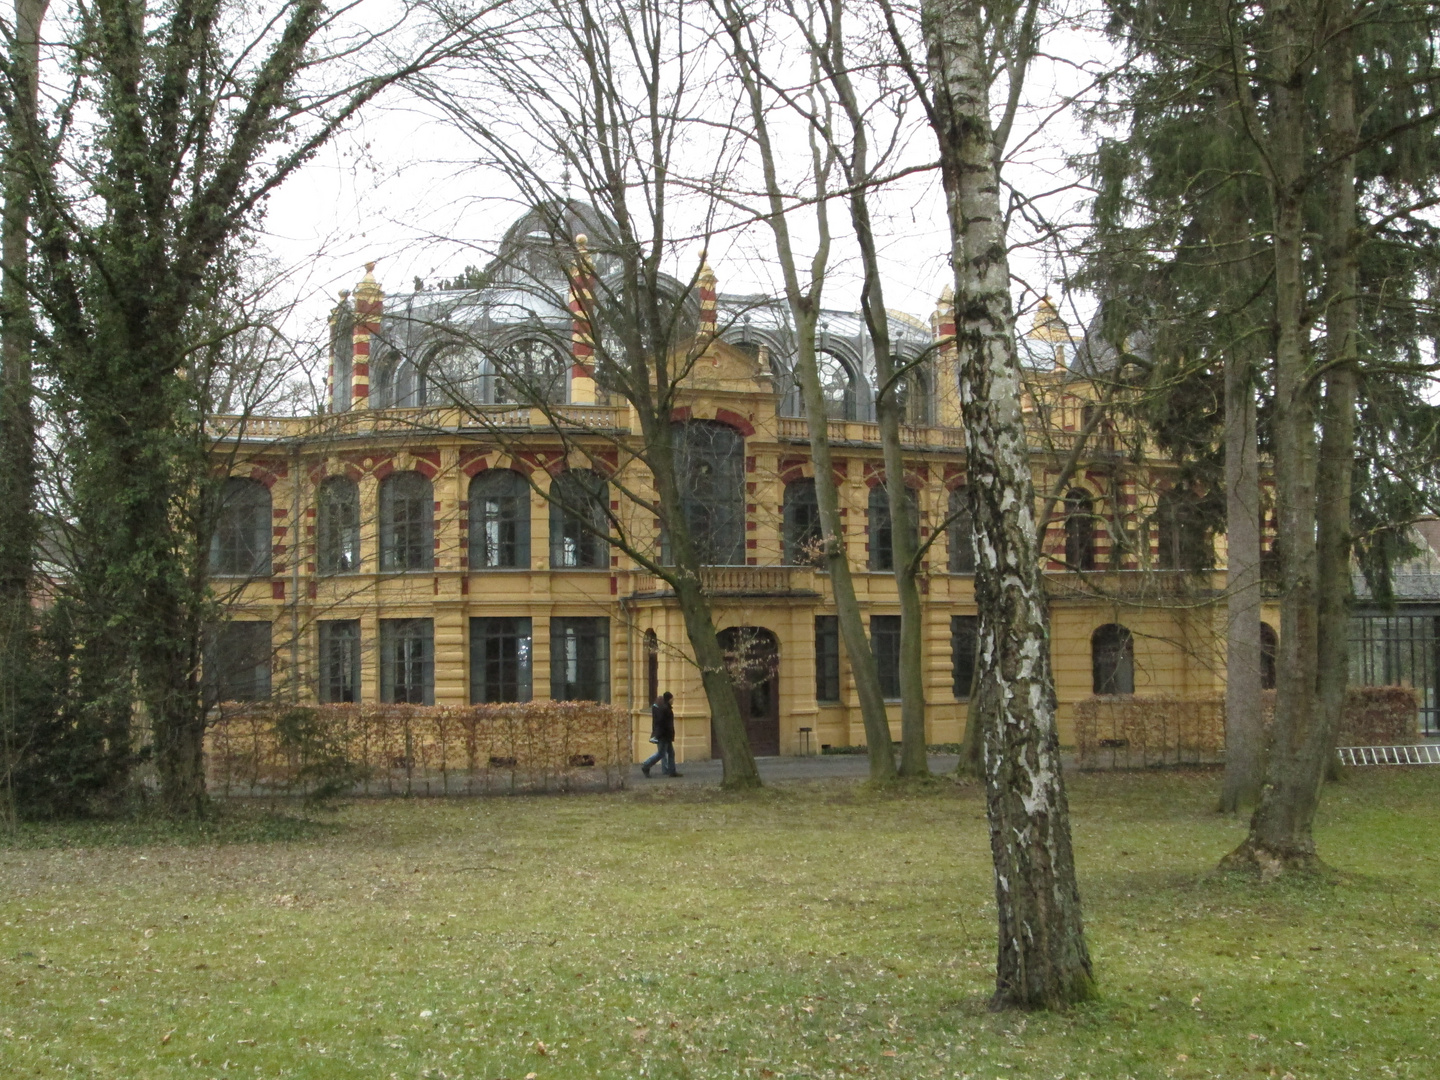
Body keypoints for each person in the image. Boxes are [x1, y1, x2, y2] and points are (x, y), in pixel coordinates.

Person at [641, 691, 681, 777]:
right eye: (672, 698)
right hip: (664, 735)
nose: (673, 700)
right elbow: (662, 723)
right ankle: (646, 765)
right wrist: (662, 734)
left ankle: (672, 771)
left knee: (671, 753)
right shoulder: (665, 709)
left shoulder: (666, 708)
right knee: (661, 753)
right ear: (669, 699)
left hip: (666, 735)